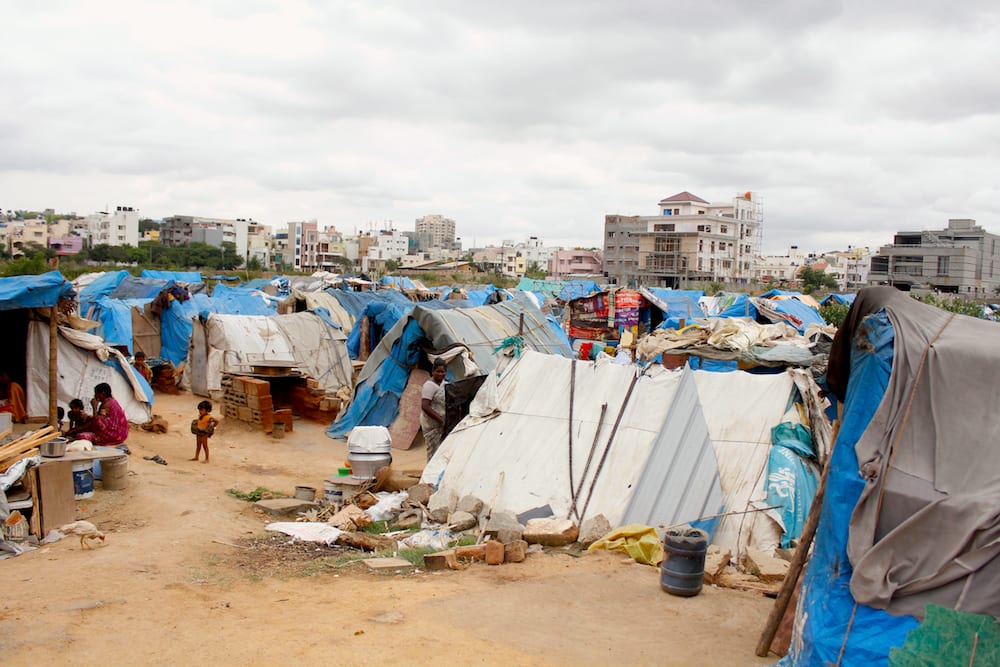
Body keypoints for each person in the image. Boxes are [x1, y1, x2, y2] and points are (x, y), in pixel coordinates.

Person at [76, 383, 129, 451]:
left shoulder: (107, 405)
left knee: (81, 436)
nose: (95, 396)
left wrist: (94, 407)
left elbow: (98, 423)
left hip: (112, 435)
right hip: (120, 435)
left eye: (96, 393)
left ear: (103, 393)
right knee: (87, 421)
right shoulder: (111, 401)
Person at [420, 359, 449, 462]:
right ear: (433, 371)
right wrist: (440, 420)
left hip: (441, 423)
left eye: (443, 372)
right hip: (432, 424)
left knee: (441, 450)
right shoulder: (429, 386)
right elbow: (425, 406)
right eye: (438, 371)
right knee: (433, 451)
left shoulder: (445, 384)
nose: (440, 374)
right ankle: (430, 475)